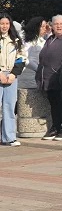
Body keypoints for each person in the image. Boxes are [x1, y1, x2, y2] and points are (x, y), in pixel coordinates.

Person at [0, 14, 26, 147]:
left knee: (9, 107)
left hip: (11, 76)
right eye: (2, 23)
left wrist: (13, 74)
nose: (4, 26)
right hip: (0, 73)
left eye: (6, 23)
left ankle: (9, 137)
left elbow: (22, 58)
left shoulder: (16, 41)